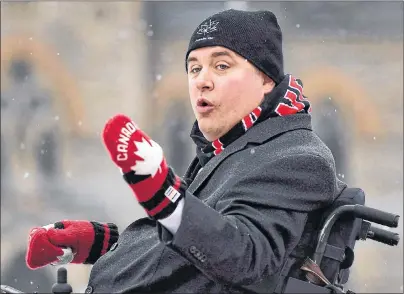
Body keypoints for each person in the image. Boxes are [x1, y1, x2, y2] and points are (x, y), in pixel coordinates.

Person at [25, 9, 346, 293]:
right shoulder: (229, 152)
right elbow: (185, 251)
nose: (201, 81)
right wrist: (96, 242)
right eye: (194, 68)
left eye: (221, 65)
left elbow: (244, 257)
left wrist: (161, 192)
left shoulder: (296, 158)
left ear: (265, 79)